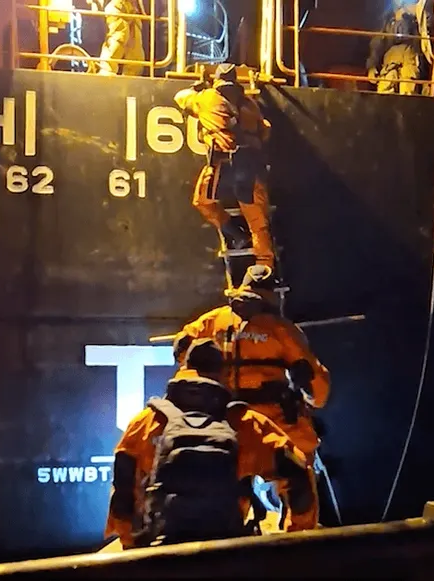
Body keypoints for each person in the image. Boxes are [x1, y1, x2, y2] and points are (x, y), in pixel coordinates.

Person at [105, 338, 314, 548]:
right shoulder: (244, 422)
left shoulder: (146, 421)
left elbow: (122, 490)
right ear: (222, 374)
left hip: (162, 552)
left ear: (184, 368)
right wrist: (297, 535)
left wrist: (131, 544)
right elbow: (296, 472)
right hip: (225, 552)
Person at [172, 265, 331, 530]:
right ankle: (301, 540)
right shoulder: (282, 330)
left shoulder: (213, 321)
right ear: (271, 293)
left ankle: (232, 530)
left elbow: (181, 347)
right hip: (275, 421)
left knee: (230, 481)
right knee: (300, 468)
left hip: (227, 419)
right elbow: (318, 387)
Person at [174, 64, 275, 269]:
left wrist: (197, 88)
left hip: (223, 166)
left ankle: (236, 233)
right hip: (251, 166)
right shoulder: (250, 103)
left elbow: (180, 97)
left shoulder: (206, 98)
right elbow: (265, 129)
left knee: (202, 201)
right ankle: (266, 266)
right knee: (258, 221)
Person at [89, 0, 146, 76]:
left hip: (133, 9)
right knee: (118, 37)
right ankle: (107, 71)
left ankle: (132, 75)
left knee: (135, 46)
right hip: (117, 5)